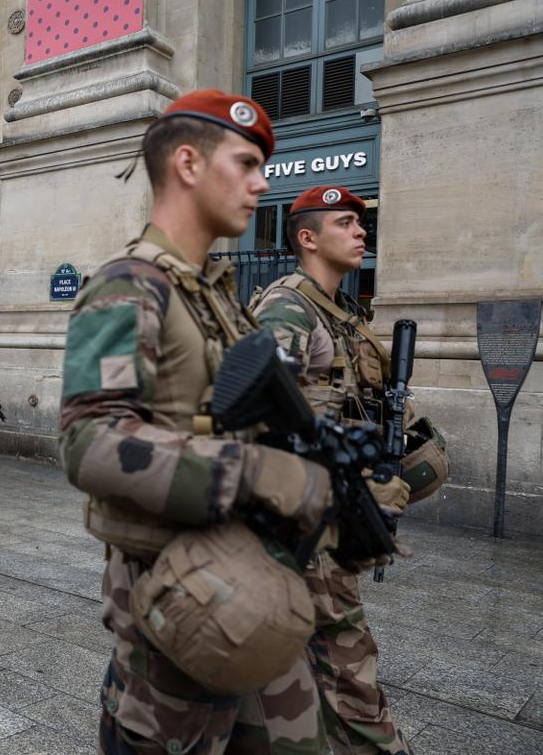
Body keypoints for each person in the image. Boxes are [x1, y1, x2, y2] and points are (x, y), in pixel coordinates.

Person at [58, 90, 339, 752]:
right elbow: (86, 439)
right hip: (180, 611)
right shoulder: (130, 287)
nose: (261, 182)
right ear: (188, 163)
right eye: (245, 162)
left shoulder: (214, 297)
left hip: (249, 589)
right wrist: (251, 471)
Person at [252, 185, 450, 755]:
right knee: (346, 659)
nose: (361, 231)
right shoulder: (290, 308)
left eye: (361, 223)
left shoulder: (341, 312)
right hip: (301, 522)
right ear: (308, 238)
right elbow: (256, 420)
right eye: (345, 222)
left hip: (328, 515)